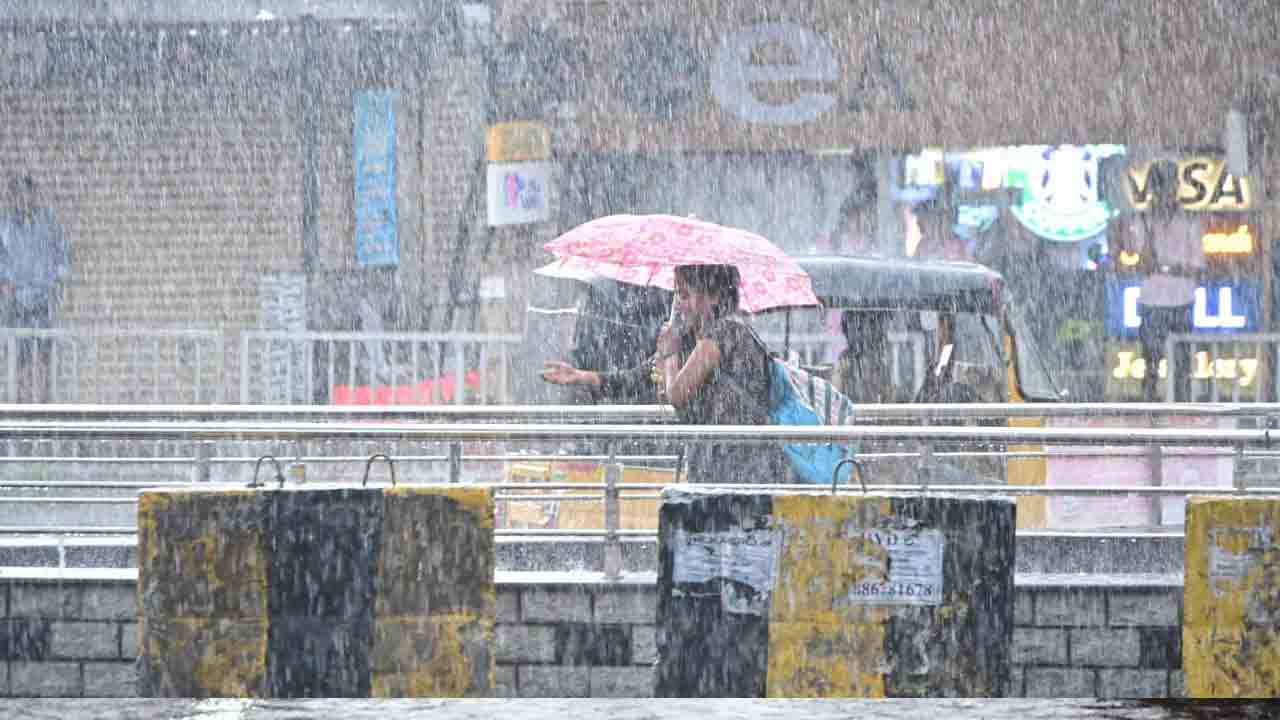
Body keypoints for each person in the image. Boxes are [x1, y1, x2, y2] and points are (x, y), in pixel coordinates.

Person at [541, 263, 792, 484]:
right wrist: (580, 376)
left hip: (744, 467)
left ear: (714, 296)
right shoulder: (690, 341)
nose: (678, 304)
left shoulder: (726, 333)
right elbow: (637, 379)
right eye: (676, 294)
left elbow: (677, 394)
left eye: (684, 294)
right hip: (711, 465)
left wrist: (669, 353)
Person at [1126, 161, 1202, 402]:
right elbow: (1144, 264)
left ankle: (1183, 411)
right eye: (1160, 188)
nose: (1166, 194)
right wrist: (1150, 230)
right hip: (1153, 301)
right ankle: (1150, 412)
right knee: (1150, 366)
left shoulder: (1190, 220)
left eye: (1169, 187)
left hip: (1182, 300)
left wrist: (1165, 267)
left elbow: (1195, 268)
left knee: (1182, 368)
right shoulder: (1143, 220)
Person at [0, 174, 69, 399]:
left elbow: (63, 254)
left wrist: (57, 280)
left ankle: (44, 402)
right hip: (17, 301)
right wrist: (6, 281)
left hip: (43, 300)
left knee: (44, 354)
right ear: (11, 198)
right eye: (16, 194)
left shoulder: (48, 223)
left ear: (34, 195)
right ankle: (20, 402)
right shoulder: (5, 226)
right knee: (19, 355)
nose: (21, 199)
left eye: (25, 193)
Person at [833, 310, 895, 404]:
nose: (865, 333)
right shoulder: (845, 360)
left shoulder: (878, 362)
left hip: (869, 413)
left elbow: (889, 396)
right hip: (852, 412)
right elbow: (835, 396)